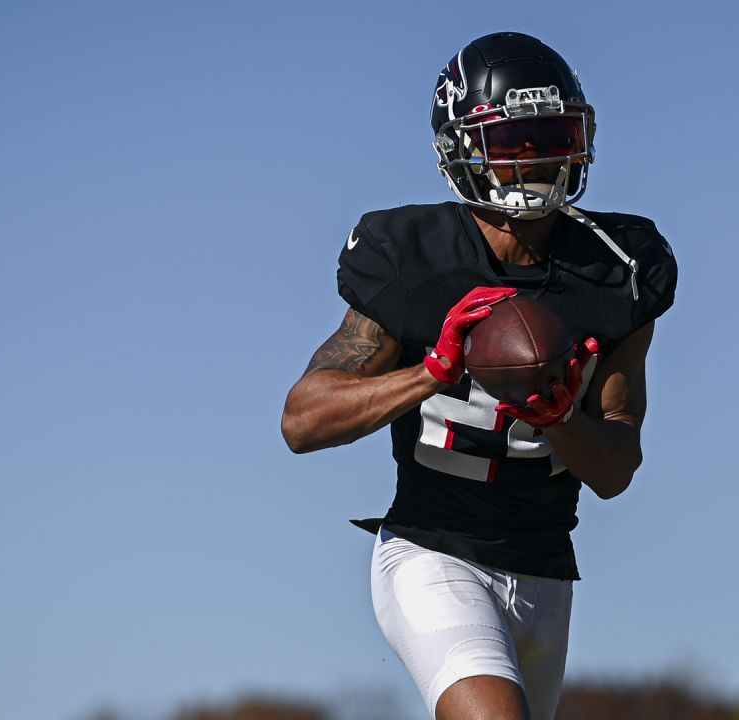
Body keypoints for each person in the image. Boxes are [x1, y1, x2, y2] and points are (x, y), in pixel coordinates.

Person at [280, 32, 677, 720]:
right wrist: (433, 371)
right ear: (461, 147)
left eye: (551, 136)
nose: (536, 158)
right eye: (514, 140)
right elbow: (302, 421)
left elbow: (615, 468)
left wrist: (562, 421)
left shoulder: (621, 268)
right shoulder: (410, 257)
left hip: (547, 571)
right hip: (433, 553)